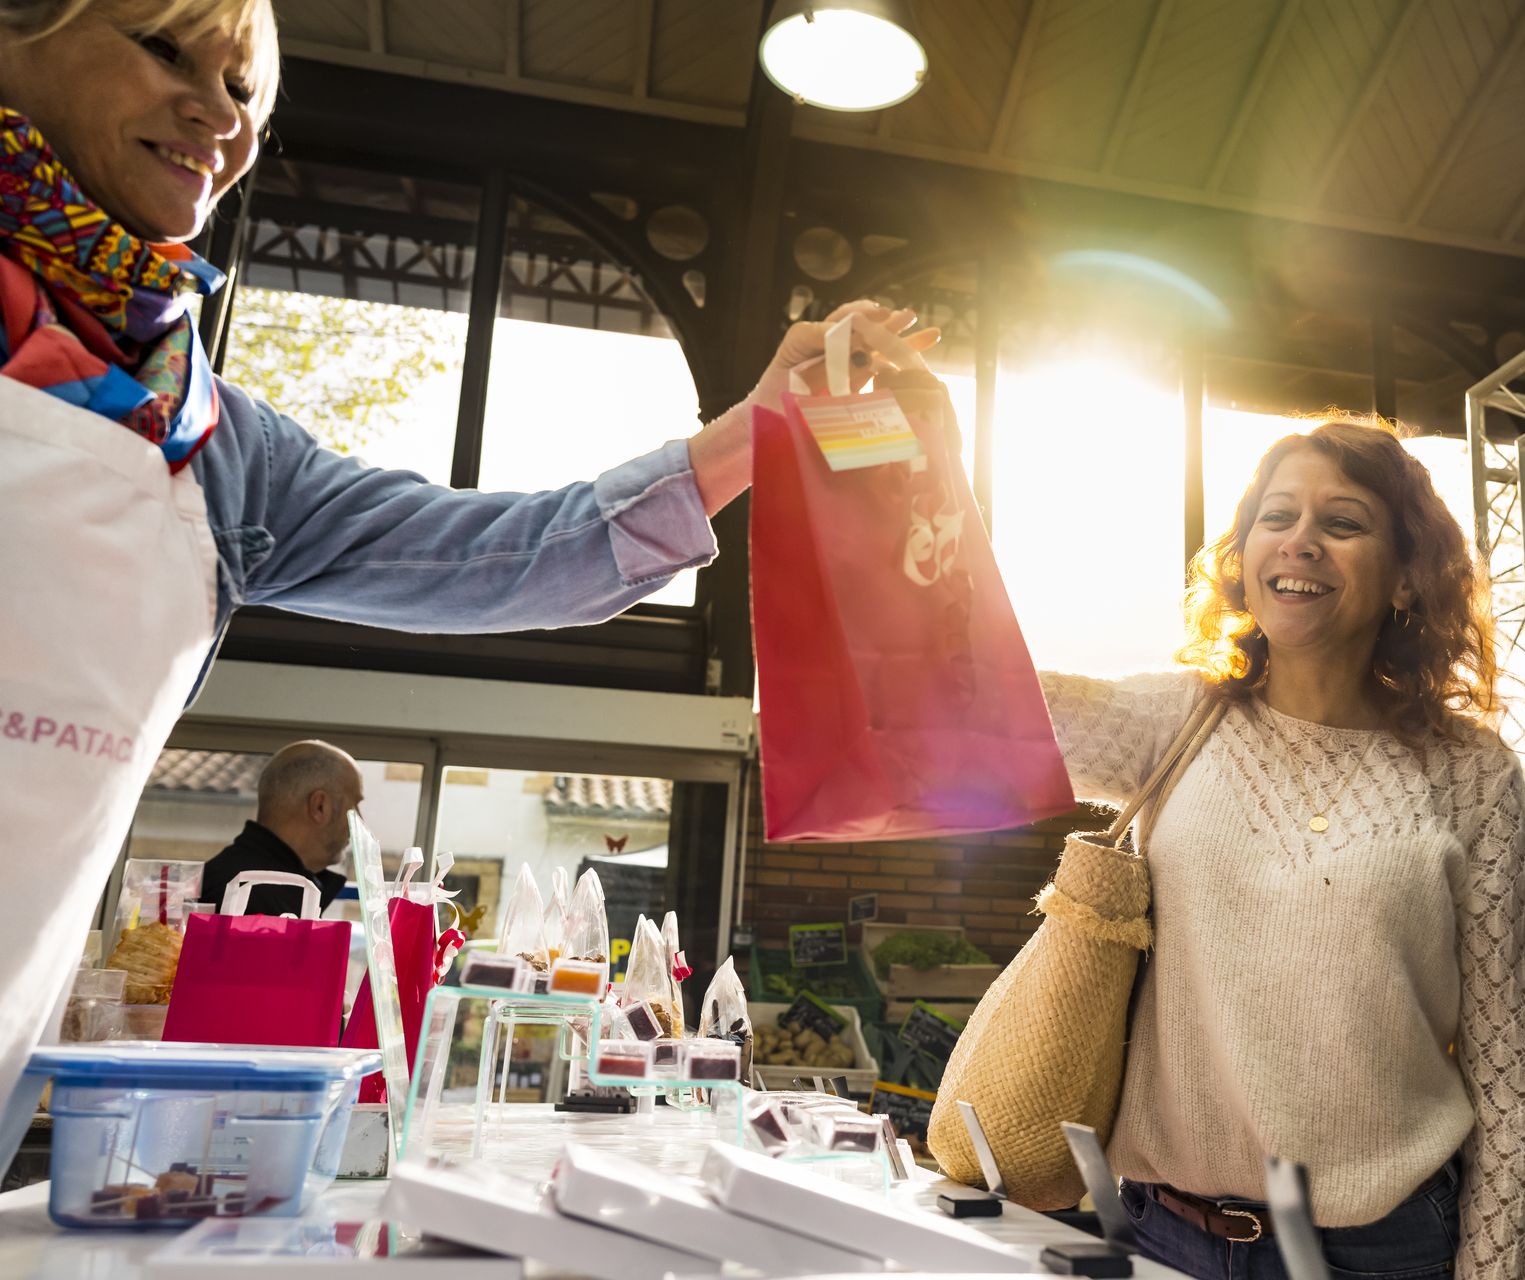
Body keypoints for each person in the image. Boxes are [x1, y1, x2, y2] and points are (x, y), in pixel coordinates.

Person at [0, 0, 929, 1118]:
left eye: (246, 89)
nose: (215, 110)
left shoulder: (217, 448)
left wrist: (755, 431)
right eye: (164, 50)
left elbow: (512, 557)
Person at [1032, 418, 1525, 1279]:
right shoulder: (1174, 722)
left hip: (1380, 1254)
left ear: (1403, 579)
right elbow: (976, 695)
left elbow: (1512, 1078)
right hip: (1163, 1235)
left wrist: (1496, 1273)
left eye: (1343, 524)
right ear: (1244, 559)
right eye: (1277, 518)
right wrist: (910, 445)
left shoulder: (1472, 776)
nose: (1301, 542)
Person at [198, 740, 360, 918]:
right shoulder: (268, 906)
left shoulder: (232, 880)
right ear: (320, 806)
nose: (359, 821)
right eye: (354, 806)